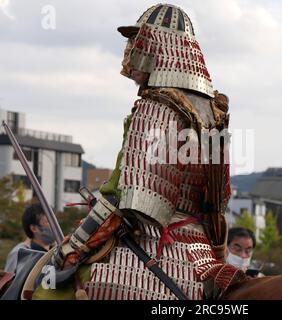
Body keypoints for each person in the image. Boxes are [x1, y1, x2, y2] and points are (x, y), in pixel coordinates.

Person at [33, 4, 244, 300]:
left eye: (138, 42)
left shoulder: (156, 106)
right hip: (202, 255)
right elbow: (217, 204)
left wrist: (75, 244)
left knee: (49, 289)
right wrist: (218, 254)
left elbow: (129, 200)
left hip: (153, 250)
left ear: (160, 48)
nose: (131, 52)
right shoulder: (214, 114)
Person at [4, 203, 55, 273]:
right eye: (48, 222)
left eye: (54, 221)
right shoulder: (20, 253)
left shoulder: (58, 251)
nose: (54, 225)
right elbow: (10, 281)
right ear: (34, 228)